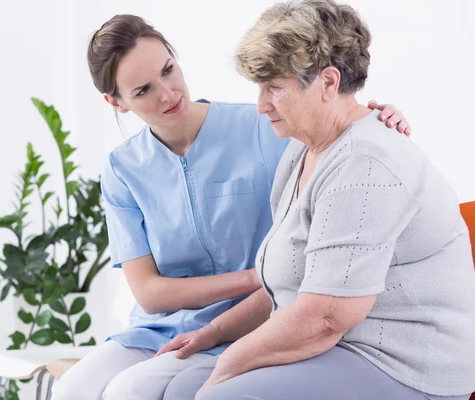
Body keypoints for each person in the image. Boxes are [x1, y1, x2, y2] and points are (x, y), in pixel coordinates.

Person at [50, 12, 411, 400]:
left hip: (250, 319)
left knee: (128, 391)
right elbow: (151, 294)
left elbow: (339, 140)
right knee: (73, 388)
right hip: (156, 328)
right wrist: (259, 276)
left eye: (169, 71)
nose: (168, 94)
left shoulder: (263, 127)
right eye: (143, 91)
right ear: (115, 102)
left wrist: (378, 118)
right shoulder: (123, 169)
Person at [157, 1, 475, 399]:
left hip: (403, 365)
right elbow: (291, 283)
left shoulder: (367, 164)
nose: (260, 105)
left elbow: (325, 318)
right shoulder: (303, 149)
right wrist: (213, 334)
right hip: (340, 347)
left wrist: (227, 365)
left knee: (217, 395)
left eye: (274, 87)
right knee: (180, 386)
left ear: (328, 82)